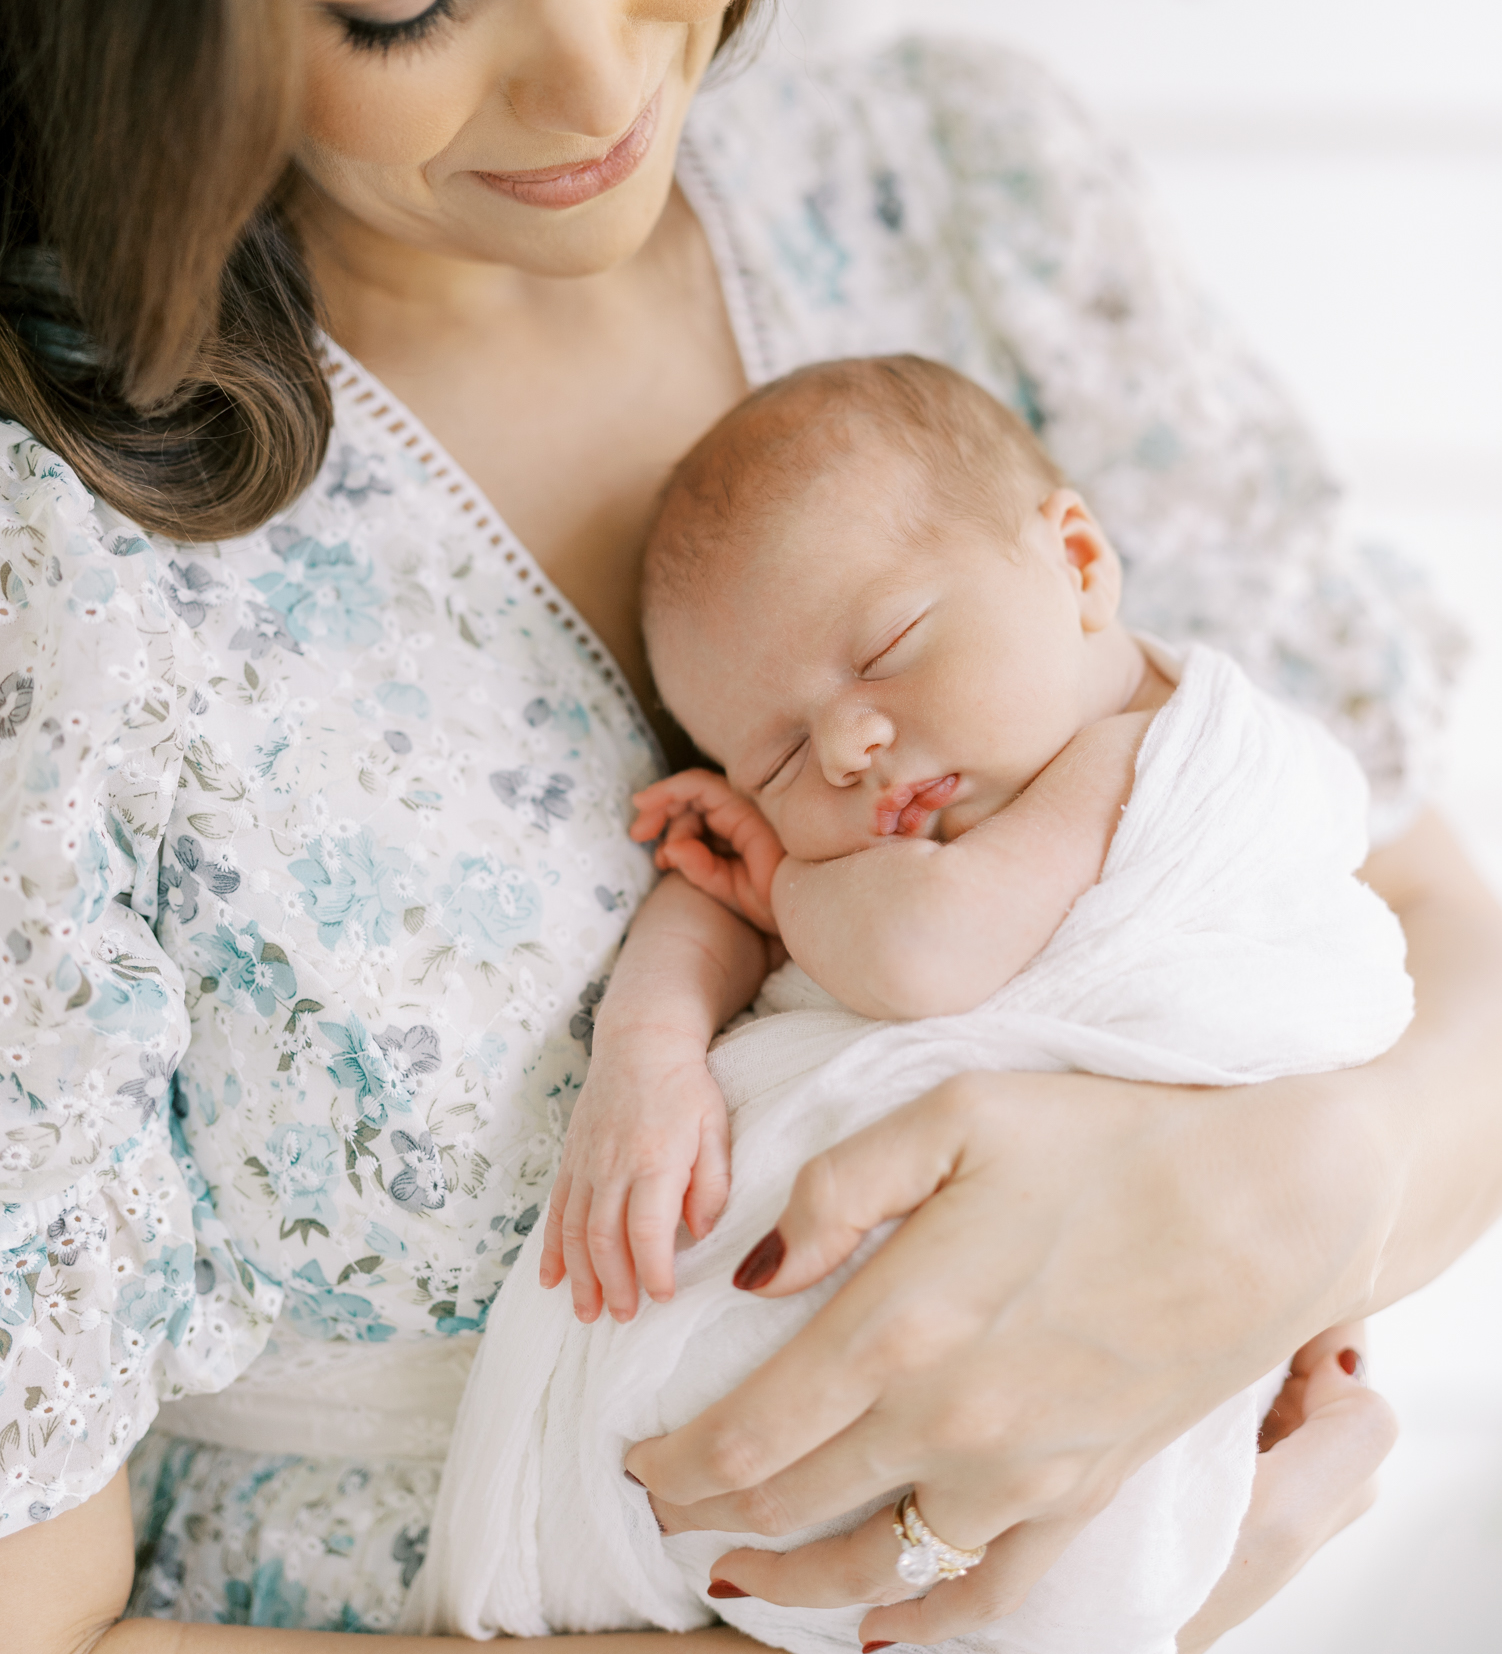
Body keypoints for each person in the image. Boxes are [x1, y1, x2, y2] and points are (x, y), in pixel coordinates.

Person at [0, 0, 1496, 1649]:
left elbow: (1438, 940)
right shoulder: (58, 534)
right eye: (412, 1)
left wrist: (1289, 1205)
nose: (603, 74)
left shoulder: (959, 197)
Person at [410, 355, 1413, 1653]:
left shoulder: (1142, 753)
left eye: (884, 653)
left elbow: (923, 958)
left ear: (1075, 564)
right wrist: (648, 1045)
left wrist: (778, 880)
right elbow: (704, 905)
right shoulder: (915, 806)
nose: (842, 750)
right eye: (770, 754)